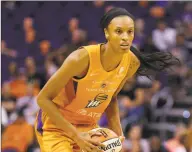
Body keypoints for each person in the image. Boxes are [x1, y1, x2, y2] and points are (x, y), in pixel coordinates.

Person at [35, 7, 179, 152]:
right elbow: (42, 99)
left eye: (130, 32)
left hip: (88, 127)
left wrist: (118, 132)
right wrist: (76, 136)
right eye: (118, 31)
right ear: (106, 33)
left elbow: (111, 97)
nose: (125, 37)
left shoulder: (131, 62)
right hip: (56, 126)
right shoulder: (81, 59)